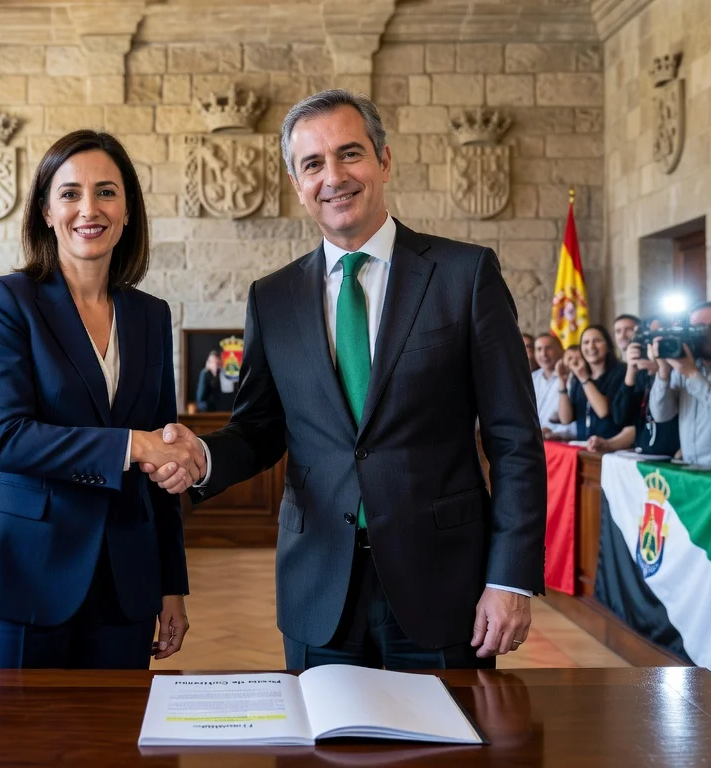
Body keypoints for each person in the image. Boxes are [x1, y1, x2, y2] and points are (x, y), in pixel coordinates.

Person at [155, 90, 544, 669]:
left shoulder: (465, 275)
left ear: (384, 161)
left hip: (442, 583)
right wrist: (203, 458)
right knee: (323, 756)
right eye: (312, 164)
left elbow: (515, 440)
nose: (333, 176)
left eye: (350, 154)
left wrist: (511, 576)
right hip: (318, 584)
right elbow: (259, 429)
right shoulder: (274, 297)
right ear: (297, 182)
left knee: (446, 751)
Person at [0, 129, 191, 669]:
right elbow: (5, 440)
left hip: (125, 579)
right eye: (70, 193)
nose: (89, 208)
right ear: (46, 211)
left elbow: (163, 453)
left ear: (127, 212)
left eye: (107, 191)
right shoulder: (6, 300)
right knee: (5, 746)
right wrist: (131, 446)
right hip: (20, 573)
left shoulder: (150, 315)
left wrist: (171, 583)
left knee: (113, 749)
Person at [648, 302, 711, 468]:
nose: (706, 334)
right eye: (698, 328)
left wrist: (691, 374)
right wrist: (664, 372)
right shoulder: (684, 362)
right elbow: (661, 415)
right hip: (692, 467)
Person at [611, 318, 681, 456]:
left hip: (673, 456)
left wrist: (662, 371)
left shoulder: (680, 370)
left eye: (659, 337)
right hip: (643, 453)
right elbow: (620, 418)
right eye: (648, 337)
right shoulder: (637, 375)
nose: (653, 344)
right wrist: (631, 370)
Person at [556, 326, 631, 447]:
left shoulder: (621, 372)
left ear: (607, 345)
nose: (591, 346)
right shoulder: (578, 376)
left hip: (612, 447)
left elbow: (603, 411)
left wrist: (584, 378)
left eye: (597, 341)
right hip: (584, 447)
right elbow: (566, 419)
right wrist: (562, 382)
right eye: (586, 342)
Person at [531, 334, 574, 440]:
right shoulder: (532, 378)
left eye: (548, 348)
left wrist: (553, 432)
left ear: (561, 350)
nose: (543, 354)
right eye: (539, 349)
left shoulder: (572, 378)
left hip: (560, 441)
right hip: (534, 440)